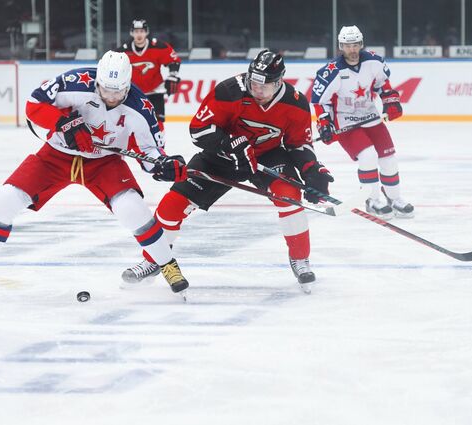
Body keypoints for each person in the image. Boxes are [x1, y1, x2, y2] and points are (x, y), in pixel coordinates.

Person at [0, 51, 189, 302]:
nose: (111, 97)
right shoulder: (74, 82)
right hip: (55, 156)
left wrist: (164, 165)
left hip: (104, 164)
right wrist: (64, 123)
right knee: (3, 200)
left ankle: (166, 264)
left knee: (132, 209)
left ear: (128, 86)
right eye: (105, 90)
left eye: (118, 92)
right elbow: (33, 105)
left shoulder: (141, 107)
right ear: (97, 81)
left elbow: (150, 153)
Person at [121, 50, 334, 293]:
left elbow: (299, 144)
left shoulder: (295, 103)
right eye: (253, 83)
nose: (257, 91)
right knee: (171, 207)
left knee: (290, 197)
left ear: (279, 82)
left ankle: (300, 259)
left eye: (264, 87)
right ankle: (153, 261)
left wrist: (312, 170)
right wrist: (229, 144)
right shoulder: (229, 90)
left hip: (266, 157)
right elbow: (198, 130)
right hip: (221, 157)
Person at [311, 25, 413, 220]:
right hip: (345, 121)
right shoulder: (332, 71)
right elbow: (320, 101)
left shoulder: (373, 61)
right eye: (348, 45)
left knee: (389, 159)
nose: (352, 49)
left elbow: (383, 84)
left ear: (361, 44)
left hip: (371, 117)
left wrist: (391, 101)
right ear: (341, 46)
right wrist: (324, 124)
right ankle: (372, 199)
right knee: (367, 156)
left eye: (356, 44)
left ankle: (394, 198)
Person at [118, 18, 181, 128]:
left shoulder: (158, 47)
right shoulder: (123, 51)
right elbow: (110, 63)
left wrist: (172, 75)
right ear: (131, 33)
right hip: (133, 93)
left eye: (142, 31)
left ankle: (159, 145)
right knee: (132, 123)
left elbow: (173, 60)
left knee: (158, 123)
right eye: (136, 31)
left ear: (146, 32)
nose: (139, 35)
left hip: (155, 91)